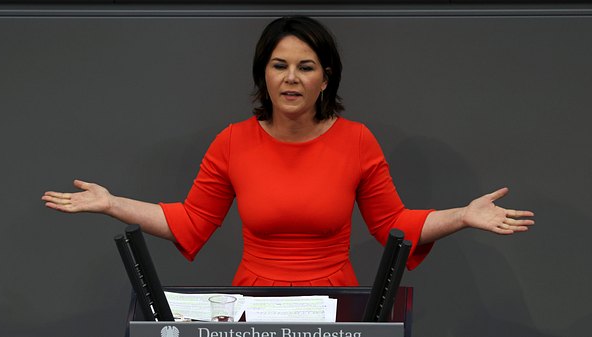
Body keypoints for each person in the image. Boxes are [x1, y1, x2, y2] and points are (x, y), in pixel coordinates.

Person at [41, 16, 534, 286]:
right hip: (254, 301)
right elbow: (190, 222)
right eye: (279, 66)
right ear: (264, 74)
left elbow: (395, 225)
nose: (291, 78)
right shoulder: (232, 141)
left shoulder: (357, 140)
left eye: (306, 67)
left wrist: (464, 216)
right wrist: (111, 204)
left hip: (334, 301)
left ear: (326, 78)